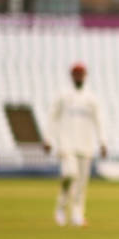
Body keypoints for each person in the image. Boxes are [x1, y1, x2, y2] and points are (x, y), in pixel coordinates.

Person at [43, 62, 108, 227]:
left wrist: (102, 142)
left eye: (81, 74)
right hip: (67, 144)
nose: (79, 77)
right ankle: (61, 206)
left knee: (81, 184)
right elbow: (52, 117)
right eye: (76, 74)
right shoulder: (64, 96)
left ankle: (77, 214)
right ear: (72, 76)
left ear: (85, 76)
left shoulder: (91, 98)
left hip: (85, 145)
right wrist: (48, 139)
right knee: (69, 174)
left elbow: (99, 121)